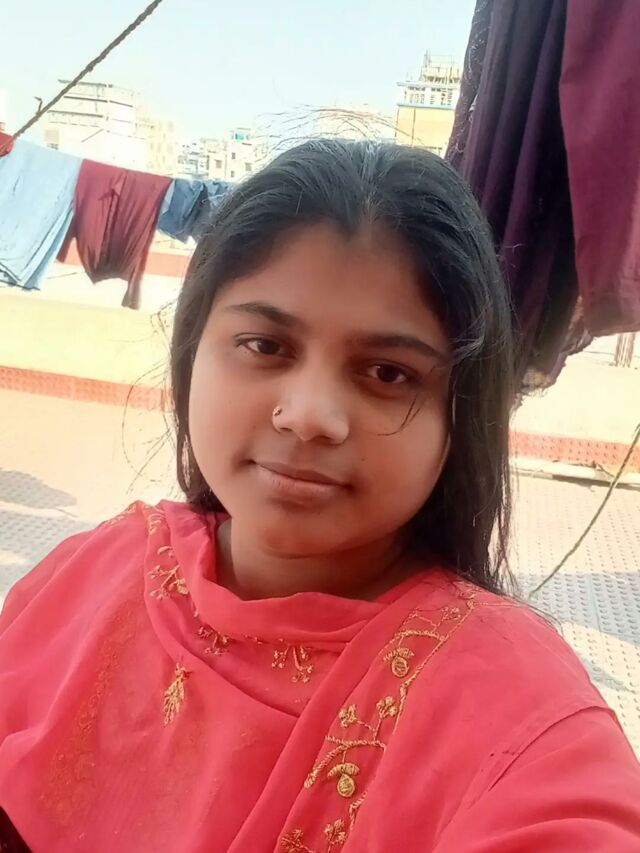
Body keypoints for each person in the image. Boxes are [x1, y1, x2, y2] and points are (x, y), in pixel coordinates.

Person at [0, 140, 639, 853]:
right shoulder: (92, 571)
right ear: (191, 351)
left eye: (388, 373)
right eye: (265, 345)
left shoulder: (517, 713)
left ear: (460, 416)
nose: (308, 416)